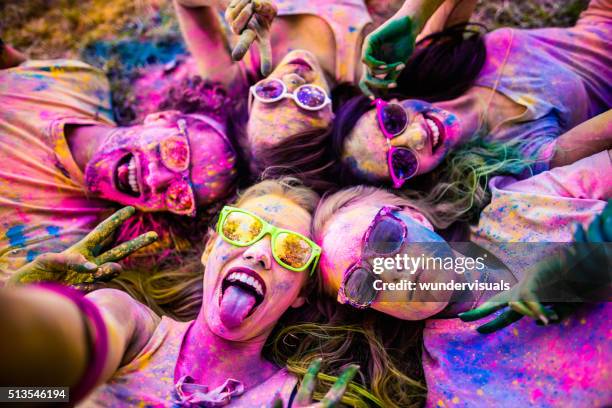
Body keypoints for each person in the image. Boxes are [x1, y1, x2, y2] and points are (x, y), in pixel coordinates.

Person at [0, 178, 362, 406]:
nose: (258, 253)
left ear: (302, 291)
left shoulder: (300, 400)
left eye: (292, 250)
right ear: (209, 249)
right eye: (241, 228)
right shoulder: (133, 329)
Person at [311, 150, 612, 406]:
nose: (391, 273)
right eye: (361, 283)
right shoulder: (455, 391)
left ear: (415, 217)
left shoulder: (521, 206)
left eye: (385, 238)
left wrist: (592, 256)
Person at [332, 0, 611, 224]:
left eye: (392, 122)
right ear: (412, 181)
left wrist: (414, 16)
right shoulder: (513, 161)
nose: (415, 138)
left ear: (388, 102)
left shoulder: (431, 65)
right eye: (401, 163)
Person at [0, 45, 238, 282]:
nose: (156, 180)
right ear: (162, 118)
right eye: (175, 152)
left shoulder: (55, 244)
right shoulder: (81, 83)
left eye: (180, 196)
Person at [172, 0, 469, 184]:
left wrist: (230, 4)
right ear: (333, 116)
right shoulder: (365, 68)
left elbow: (185, 4)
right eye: (308, 101)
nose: (292, 81)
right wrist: (414, 21)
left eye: (271, 93)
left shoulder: (237, 74)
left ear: (251, 99)